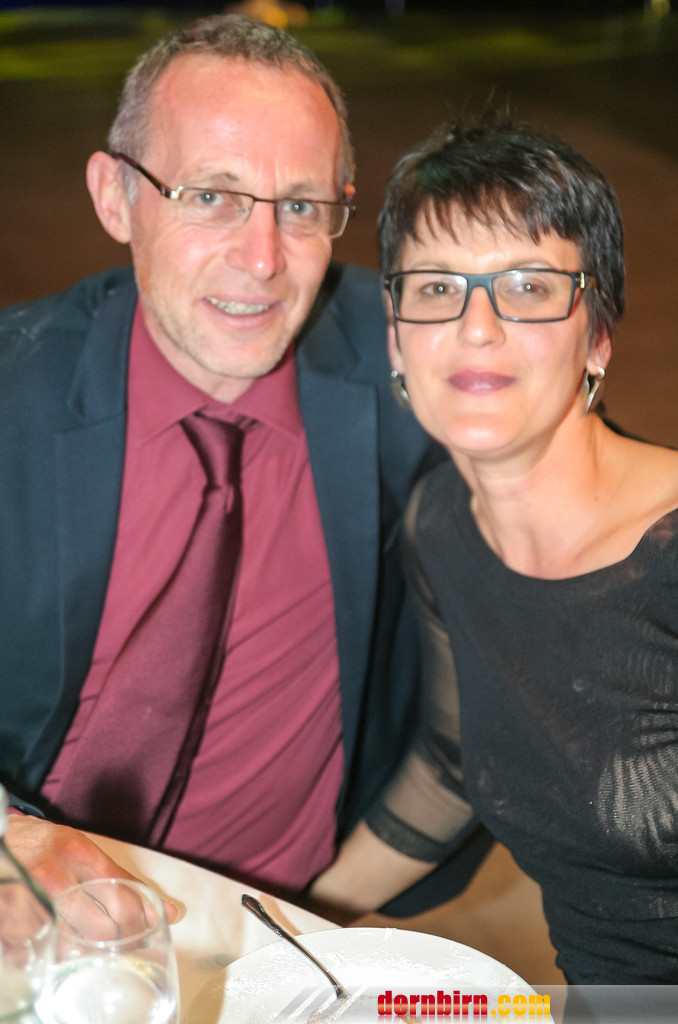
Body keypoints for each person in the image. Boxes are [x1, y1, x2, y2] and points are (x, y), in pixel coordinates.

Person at [0, 13, 464, 909]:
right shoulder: (14, 396)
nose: (262, 260)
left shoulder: (411, 358)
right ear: (115, 197)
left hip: (279, 924)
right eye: (211, 196)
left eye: (302, 207)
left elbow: (591, 490)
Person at [310, 119, 678, 985]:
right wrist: (283, 925)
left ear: (597, 337)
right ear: (396, 338)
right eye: (438, 287)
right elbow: (448, 770)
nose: (477, 327)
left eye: (528, 286)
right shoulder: (443, 525)